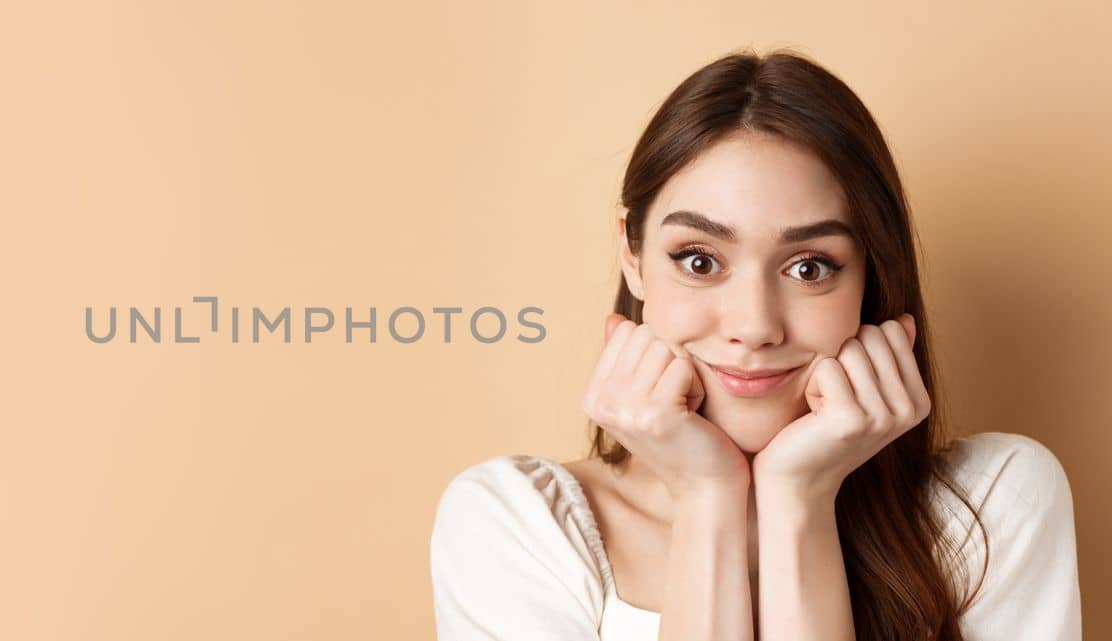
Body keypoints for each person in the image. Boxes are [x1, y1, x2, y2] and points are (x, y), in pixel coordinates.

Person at [429, 49, 1082, 641]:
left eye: (809, 267)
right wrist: (708, 498)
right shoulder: (515, 528)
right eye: (699, 260)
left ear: (871, 278)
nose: (754, 326)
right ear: (632, 255)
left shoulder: (991, 510)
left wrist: (800, 498)